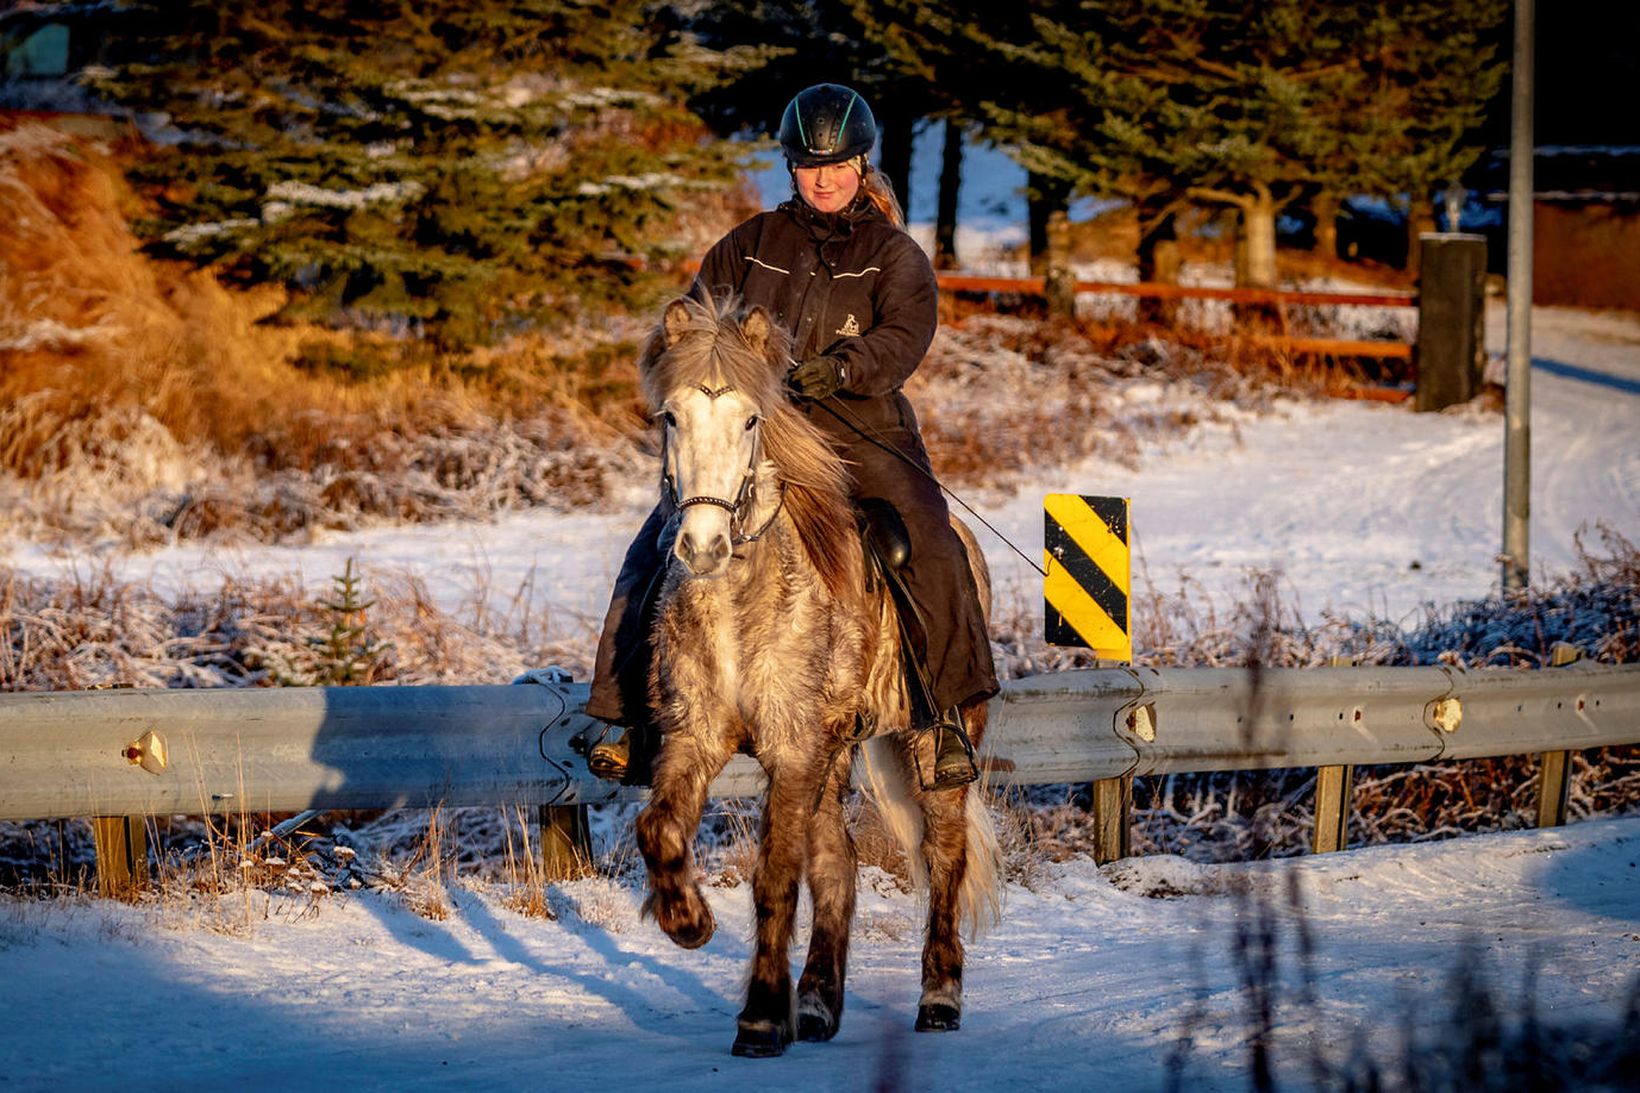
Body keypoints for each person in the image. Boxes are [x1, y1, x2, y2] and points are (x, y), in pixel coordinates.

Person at [583, 82, 998, 788]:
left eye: (839, 164)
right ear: (791, 166)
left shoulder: (894, 255)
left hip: (861, 430)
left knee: (927, 537)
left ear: (862, 166)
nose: (826, 177)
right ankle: (627, 718)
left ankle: (946, 713)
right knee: (657, 541)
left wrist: (843, 367)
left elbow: (905, 336)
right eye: (812, 164)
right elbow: (694, 322)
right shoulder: (748, 246)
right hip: (754, 434)